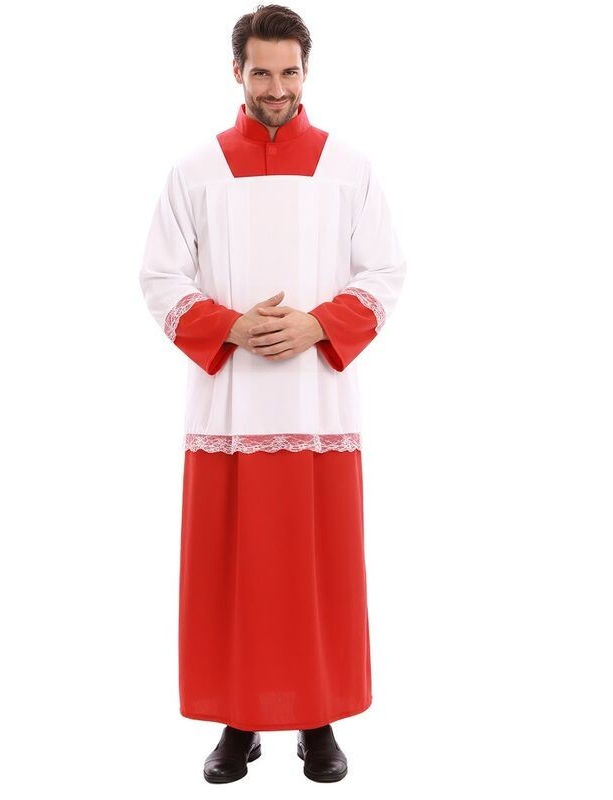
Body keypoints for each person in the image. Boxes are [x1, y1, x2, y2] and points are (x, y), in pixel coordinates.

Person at [139, 4, 406, 784]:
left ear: (306, 71)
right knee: (235, 569)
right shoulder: (195, 171)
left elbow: (385, 271)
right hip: (228, 407)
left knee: (315, 567)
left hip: (317, 407)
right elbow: (160, 277)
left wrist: (318, 326)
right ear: (237, 72)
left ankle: (318, 721)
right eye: (262, 72)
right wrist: (231, 327)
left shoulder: (348, 168)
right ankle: (239, 721)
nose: (277, 88)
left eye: (290, 72)